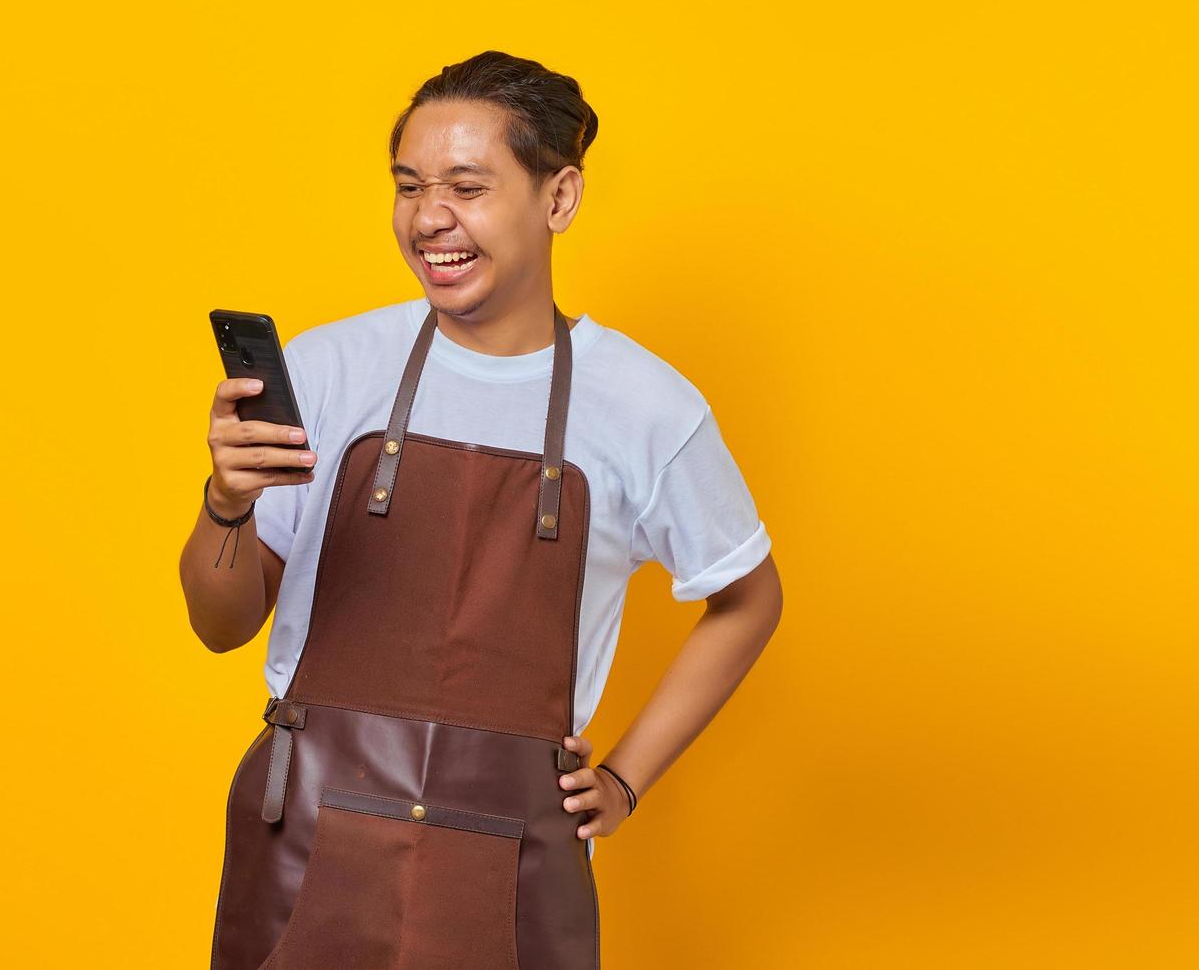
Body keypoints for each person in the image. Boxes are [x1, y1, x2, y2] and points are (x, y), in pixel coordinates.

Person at [180, 49, 783, 970]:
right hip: (305, 831)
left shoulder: (646, 407)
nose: (430, 219)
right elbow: (221, 629)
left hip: (515, 856)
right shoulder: (333, 368)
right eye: (410, 185)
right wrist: (224, 504)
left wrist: (623, 778)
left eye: (467, 185)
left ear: (560, 198)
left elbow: (749, 598)